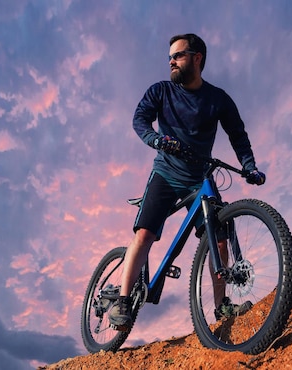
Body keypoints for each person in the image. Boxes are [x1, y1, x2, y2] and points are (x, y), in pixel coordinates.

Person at [109, 33, 266, 331]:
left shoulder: (218, 99)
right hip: (165, 174)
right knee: (145, 235)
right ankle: (123, 300)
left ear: (197, 58)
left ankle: (222, 307)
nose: (171, 60)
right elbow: (140, 119)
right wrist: (155, 139)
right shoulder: (161, 91)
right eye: (170, 56)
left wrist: (249, 166)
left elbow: (238, 135)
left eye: (178, 55)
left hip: (200, 178)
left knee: (218, 239)